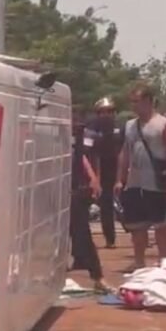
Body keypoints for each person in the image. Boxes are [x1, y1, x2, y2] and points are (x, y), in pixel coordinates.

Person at [116, 84, 166, 269]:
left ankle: (164, 263)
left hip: (157, 183)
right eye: (132, 102)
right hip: (134, 184)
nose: (134, 106)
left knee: (161, 226)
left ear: (148, 101)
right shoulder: (130, 125)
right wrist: (119, 179)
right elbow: (125, 152)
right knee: (137, 227)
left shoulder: (162, 124)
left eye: (136, 102)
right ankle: (139, 263)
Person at [69, 115, 108, 291]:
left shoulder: (77, 135)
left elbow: (81, 156)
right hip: (51, 189)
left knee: (82, 232)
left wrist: (93, 177)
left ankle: (97, 277)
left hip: (73, 190)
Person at [89, 97, 124, 248]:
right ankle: (107, 239)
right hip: (98, 168)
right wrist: (96, 177)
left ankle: (130, 232)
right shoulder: (92, 129)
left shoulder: (120, 129)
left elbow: (123, 152)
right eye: (103, 112)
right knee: (103, 205)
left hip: (117, 168)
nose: (107, 115)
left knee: (119, 202)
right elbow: (92, 153)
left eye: (110, 111)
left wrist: (120, 177)